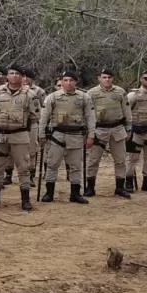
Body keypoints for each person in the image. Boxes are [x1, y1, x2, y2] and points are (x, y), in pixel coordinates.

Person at [0, 65, 39, 211]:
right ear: (7, 76)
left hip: (19, 134)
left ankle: (25, 199)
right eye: (11, 73)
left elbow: (36, 115)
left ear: (23, 77)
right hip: (0, 135)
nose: (14, 76)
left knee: (23, 167)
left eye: (17, 74)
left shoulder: (29, 94)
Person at [39, 71, 96, 204]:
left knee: (76, 166)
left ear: (76, 82)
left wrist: (91, 136)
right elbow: (44, 117)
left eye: (71, 80)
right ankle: (49, 193)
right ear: (61, 81)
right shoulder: (52, 97)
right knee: (52, 165)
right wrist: (41, 134)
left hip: (76, 136)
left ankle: (75, 194)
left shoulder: (84, 97)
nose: (68, 83)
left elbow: (90, 117)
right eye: (65, 80)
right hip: (56, 136)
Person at [86, 68, 132, 198]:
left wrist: (129, 128)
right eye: (104, 77)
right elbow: (88, 114)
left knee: (120, 160)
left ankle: (120, 187)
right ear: (99, 78)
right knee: (94, 160)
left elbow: (127, 111)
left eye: (109, 77)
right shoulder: (91, 93)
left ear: (113, 78)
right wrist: (89, 132)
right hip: (99, 129)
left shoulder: (120, 92)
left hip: (117, 128)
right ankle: (90, 187)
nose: (107, 79)